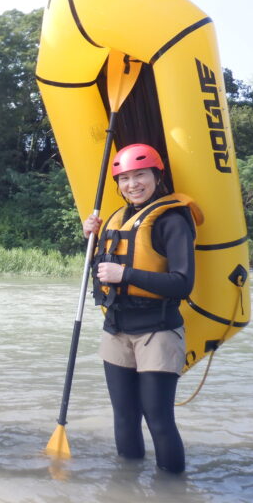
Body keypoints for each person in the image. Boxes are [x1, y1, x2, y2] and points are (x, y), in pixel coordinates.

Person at [83, 143, 203, 474]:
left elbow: (182, 283)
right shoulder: (117, 219)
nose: (133, 185)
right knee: (123, 417)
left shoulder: (172, 221)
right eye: (125, 179)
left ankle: (172, 492)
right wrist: (90, 239)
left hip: (158, 332)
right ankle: (127, 488)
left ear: (157, 176)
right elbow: (103, 271)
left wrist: (128, 274)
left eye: (140, 176)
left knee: (158, 419)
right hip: (117, 328)